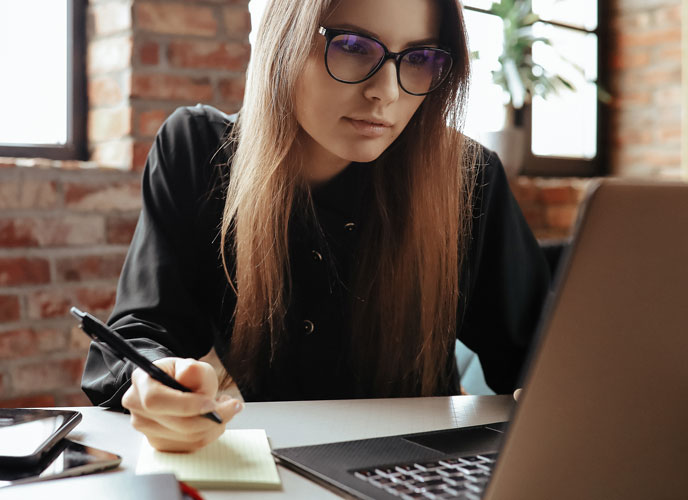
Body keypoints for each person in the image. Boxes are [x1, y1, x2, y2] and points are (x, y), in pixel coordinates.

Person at [81, 0, 551, 453]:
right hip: (272, 473)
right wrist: (156, 381)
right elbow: (142, 329)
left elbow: (547, 356)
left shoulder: (466, 178)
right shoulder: (199, 152)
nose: (386, 91)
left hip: (422, 474)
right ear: (285, 40)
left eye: (420, 57)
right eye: (352, 45)